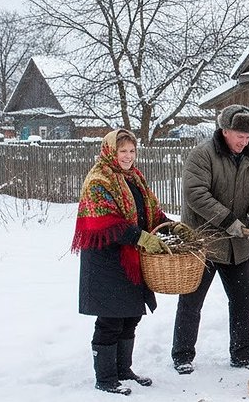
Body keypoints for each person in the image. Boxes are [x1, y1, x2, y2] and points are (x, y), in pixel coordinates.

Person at [71, 129, 184, 395]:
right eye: (123, 151)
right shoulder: (99, 179)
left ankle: (124, 370)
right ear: (111, 151)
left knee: (131, 316)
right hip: (106, 261)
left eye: (132, 151)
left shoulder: (135, 178)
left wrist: (169, 227)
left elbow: (151, 211)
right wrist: (140, 237)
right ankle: (106, 377)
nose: (128, 156)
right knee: (110, 319)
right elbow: (105, 222)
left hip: (131, 257)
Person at [172, 104, 249, 375]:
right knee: (191, 301)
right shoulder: (202, 155)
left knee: (244, 298)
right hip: (202, 242)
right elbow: (197, 195)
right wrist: (229, 222)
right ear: (225, 130)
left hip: (237, 245)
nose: (244, 141)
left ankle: (242, 352)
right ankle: (182, 354)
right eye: (240, 135)